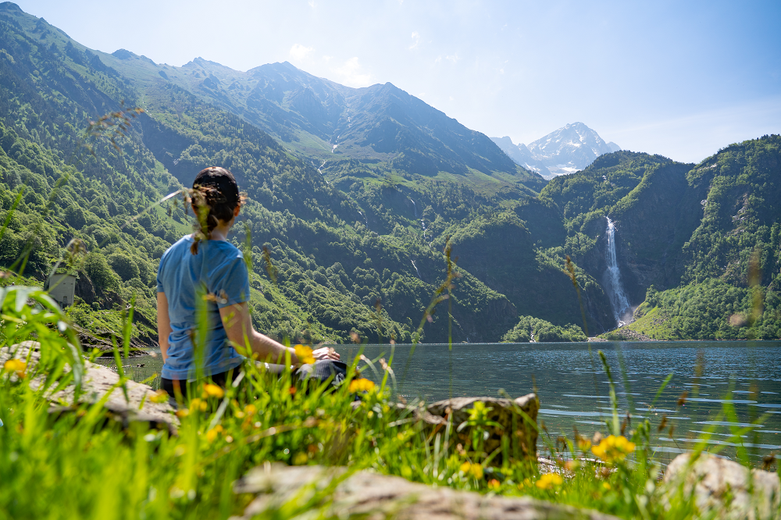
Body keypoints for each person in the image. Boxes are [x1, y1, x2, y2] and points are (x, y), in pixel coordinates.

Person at [156, 166, 339, 399]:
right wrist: (305, 355)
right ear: (237, 209)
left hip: (172, 382)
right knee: (305, 371)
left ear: (193, 207)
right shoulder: (229, 258)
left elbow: (164, 339)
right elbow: (243, 341)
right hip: (218, 381)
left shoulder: (169, 255)